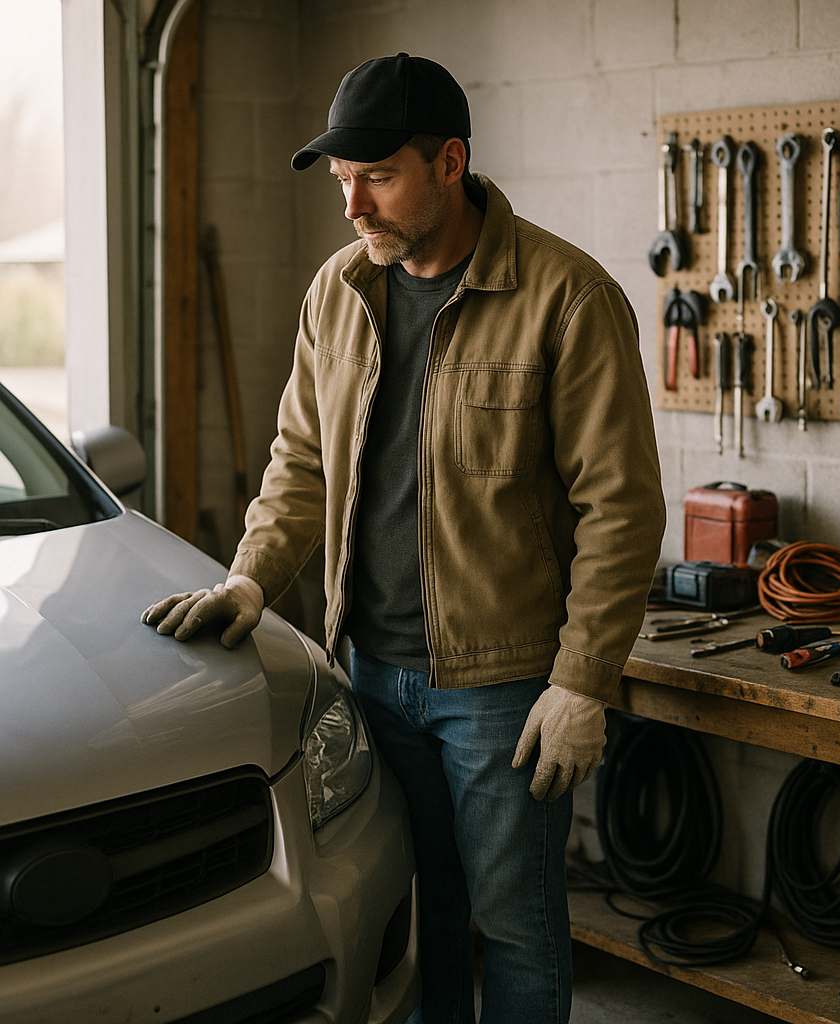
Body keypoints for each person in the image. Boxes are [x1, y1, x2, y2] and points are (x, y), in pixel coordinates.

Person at [143, 52, 665, 1024]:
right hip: (368, 674)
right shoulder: (338, 290)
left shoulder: (566, 298)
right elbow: (300, 460)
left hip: (503, 690)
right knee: (419, 910)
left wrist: (583, 680)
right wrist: (253, 579)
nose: (352, 206)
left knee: (514, 926)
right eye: (344, 182)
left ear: (450, 161)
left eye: (376, 177)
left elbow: (621, 509)